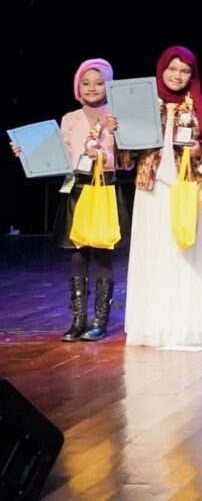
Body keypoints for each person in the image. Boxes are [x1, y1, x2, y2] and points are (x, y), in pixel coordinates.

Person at [10, 59, 122, 341]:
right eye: (86, 83)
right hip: (77, 190)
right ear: (77, 87)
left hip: (105, 189)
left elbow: (128, 161)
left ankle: (100, 321)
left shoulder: (116, 117)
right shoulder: (70, 119)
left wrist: (107, 153)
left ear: (109, 85)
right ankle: (78, 320)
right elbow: (59, 155)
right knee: (77, 256)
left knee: (104, 254)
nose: (92, 88)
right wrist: (27, 152)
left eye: (99, 82)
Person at [123, 46, 202, 347]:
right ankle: (151, 327)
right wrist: (118, 132)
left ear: (193, 75)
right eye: (172, 69)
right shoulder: (144, 105)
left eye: (185, 70)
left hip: (188, 189)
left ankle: (184, 327)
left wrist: (200, 149)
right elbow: (126, 159)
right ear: (162, 69)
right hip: (151, 190)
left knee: (186, 257)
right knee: (152, 256)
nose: (178, 75)